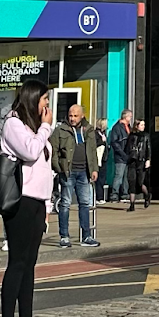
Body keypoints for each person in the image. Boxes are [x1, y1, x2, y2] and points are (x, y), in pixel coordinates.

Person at [0, 79, 57, 317]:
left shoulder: (34, 128)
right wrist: (46, 127)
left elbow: (44, 169)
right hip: (19, 201)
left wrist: (46, 206)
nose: (47, 105)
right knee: (17, 263)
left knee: (30, 264)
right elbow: (31, 152)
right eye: (44, 99)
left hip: (36, 202)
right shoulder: (13, 124)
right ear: (33, 99)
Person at [50, 103, 101, 248]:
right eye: (70, 115)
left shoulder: (89, 130)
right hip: (68, 172)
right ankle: (64, 236)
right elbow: (53, 150)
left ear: (82, 116)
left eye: (75, 116)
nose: (72, 118)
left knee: (85, 203)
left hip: (84, 172)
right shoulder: (60, 130)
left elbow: (92, 151)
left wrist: (94, 169)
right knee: (65, 203)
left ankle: (86, 236)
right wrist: (59, 167)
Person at [107, 110, 133, 204]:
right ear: (125, 117)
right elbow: (114, 142)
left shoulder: (129, 127)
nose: (131, 118)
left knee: (126, 176)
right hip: (120, 156)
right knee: (119, 175)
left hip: (128, 155)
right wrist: (122, 153)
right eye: (130, 116)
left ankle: (125, 194)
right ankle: (114, 195)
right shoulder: (117, 128)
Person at [127, 116, 152, 210]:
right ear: (136, 126)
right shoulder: (131, 135)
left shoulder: (146, 136)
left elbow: (148, 148)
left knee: (140, 182)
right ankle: (132, 204)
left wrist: (148, 159)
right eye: (141, 125)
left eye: (144, 125)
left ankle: (147, 196)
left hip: (141, 161)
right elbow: (127, 147)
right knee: (131, 181)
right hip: (132, 161)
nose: (143, 126)